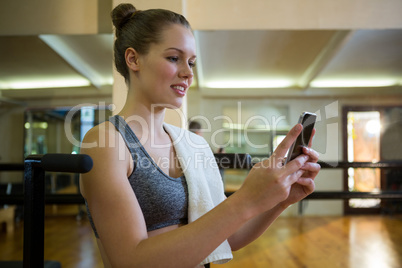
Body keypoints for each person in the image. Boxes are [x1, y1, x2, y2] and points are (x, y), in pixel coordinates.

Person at [79, 3, 320, 268]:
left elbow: (224, 237)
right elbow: (131, 260)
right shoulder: (105, 143)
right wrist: (245, 200)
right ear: (133, 59)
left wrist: (280, 201)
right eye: (174, 58)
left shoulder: (192, 145)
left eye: (191, 62)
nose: (188, 72)